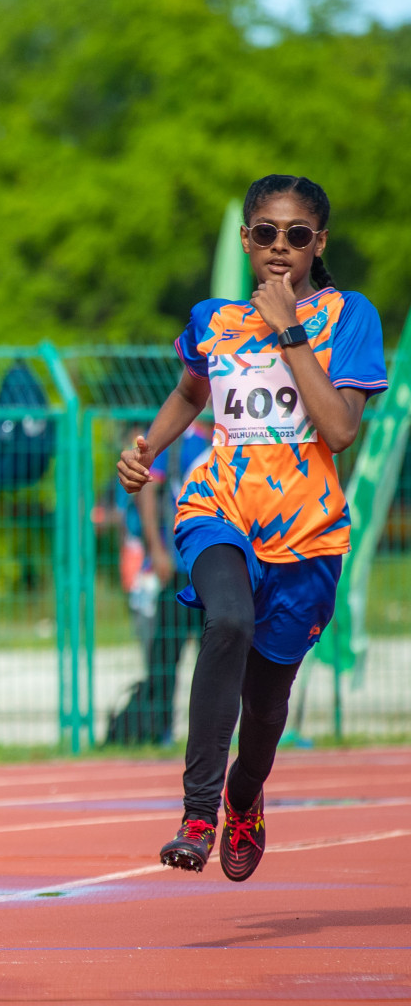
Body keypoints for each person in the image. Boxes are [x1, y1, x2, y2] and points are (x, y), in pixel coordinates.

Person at [119, 175, 386, 881]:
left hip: (306, 536)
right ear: (246, 239)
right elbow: (188, 390)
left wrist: (290, 330)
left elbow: (340, 428)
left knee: (266, 711)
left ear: (318, 243)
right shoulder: (213, 318)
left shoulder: (350, 316)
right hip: (220, 507)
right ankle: (198, 812)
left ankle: (244, 794)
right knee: (226, 620)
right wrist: (146, 449)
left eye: (297, 234)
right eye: (265, 231)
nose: (279, 247)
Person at [105, 422, 210, 746]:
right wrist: (157, 548)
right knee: (164, 657)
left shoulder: (237, 433)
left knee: (223, 657)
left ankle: (216, 735)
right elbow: (148, 488)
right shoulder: (181, 438)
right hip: (180, 566)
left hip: (224, 567)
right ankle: (157, 727)